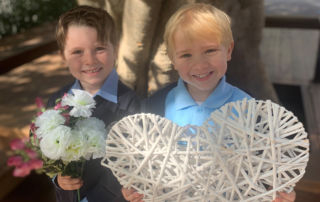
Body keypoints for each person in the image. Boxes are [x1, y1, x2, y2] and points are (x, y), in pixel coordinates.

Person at [122, 3, 296, 202]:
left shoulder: (249, 108)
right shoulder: (156, 107)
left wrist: (277, 191)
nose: (200, 64)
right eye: (186, 54)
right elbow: (143, 164)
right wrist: (135, 189)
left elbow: (266, 167)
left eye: (210, 51)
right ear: (172, 59)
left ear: (228, 50)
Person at [47, 5, 140, 202]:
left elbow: (133, 165)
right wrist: (58, 179)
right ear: (63, 56)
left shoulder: (132, 106)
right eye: (77, 52)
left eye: (99, 48)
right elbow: (49, 154)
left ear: (116, 47)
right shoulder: (56, 102)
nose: (89, 60)